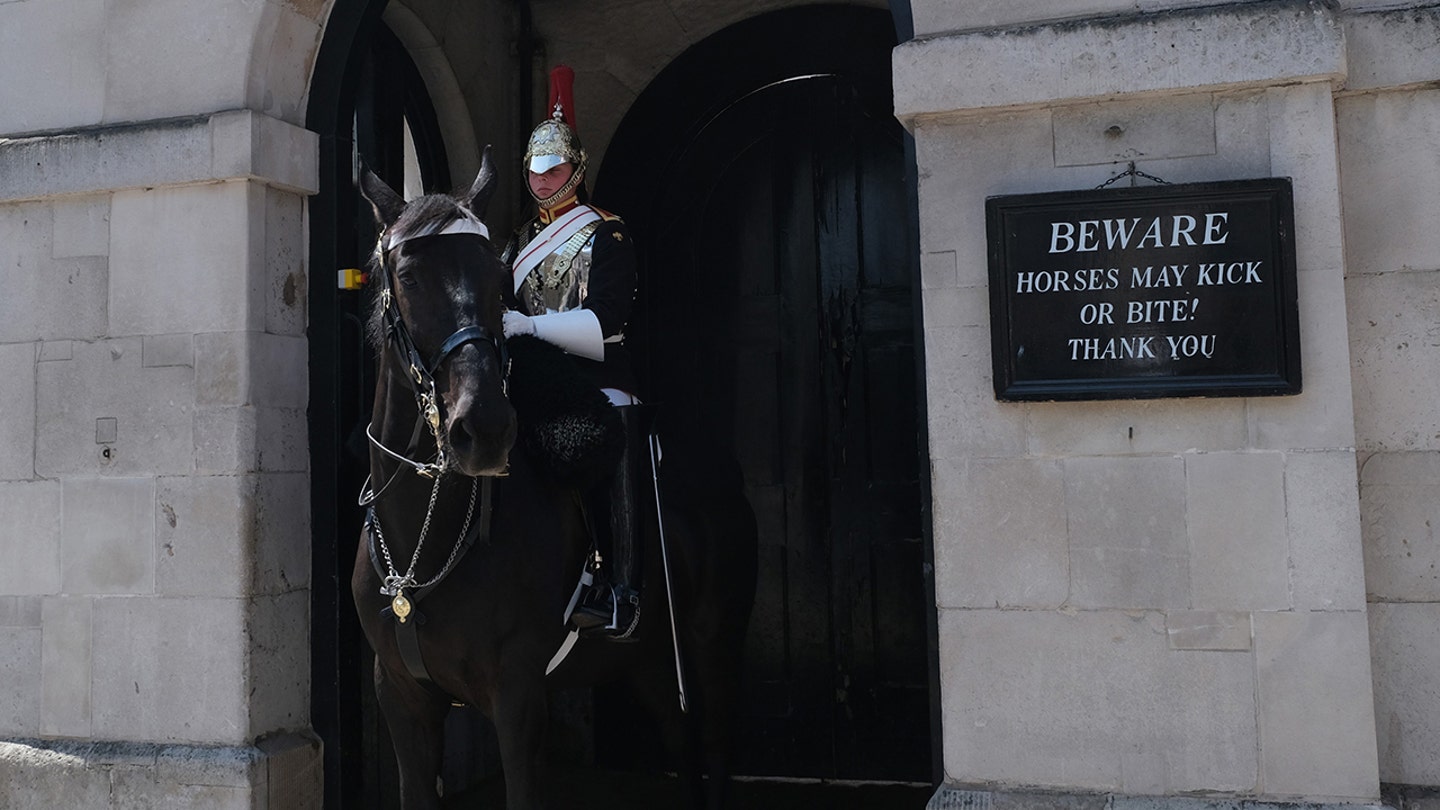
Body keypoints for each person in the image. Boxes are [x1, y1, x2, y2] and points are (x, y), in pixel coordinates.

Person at [501, 65, 647, 640]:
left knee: (612, 452)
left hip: (597, 373)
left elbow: (608, 321)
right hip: (537, 380)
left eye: (554, 168)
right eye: (535, 169)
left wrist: (531, 327)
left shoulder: (606, 233)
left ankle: (621, 588)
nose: (542, 179)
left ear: (576, 170)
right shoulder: (517, 241)